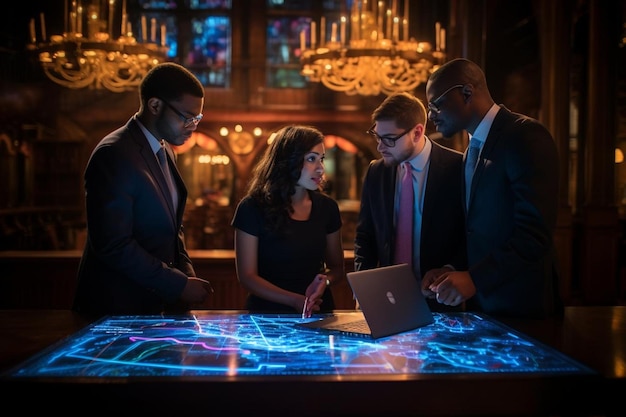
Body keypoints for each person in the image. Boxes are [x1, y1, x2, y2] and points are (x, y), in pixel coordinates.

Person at [423, 58, 562, 318]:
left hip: (525, 309)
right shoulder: (471, 151)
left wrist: (475, 278)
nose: (431, 115)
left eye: (436, 104)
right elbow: (478, 231)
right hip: (483, 307)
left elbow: (534, 235)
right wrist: (452, 268)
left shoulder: (526, 136)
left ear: (466, 93)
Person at [72, 62, 213, 318]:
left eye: (198, 118)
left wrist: (186, 274)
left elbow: (172, 228)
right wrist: (177, 284)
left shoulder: (166, 149)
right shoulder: (114, 153)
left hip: (157, 305)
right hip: (116, 307)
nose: (193, 125)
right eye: (187, 117)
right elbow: (113, 244)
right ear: (155, 106)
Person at [354, 92, 467, 312]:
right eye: (377, 136)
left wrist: (450, 268)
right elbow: (365, 235)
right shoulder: (376, 171)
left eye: (389, 139)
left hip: (440, 301)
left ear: (417, 132)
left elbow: (471, 234)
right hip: (386, 300)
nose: (380, 147)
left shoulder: (458, 168)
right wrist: (362, 286)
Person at [231, 125, 345, 317]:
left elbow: (337, 269)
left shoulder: (328, 207)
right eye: (311, 159)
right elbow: (247, 277)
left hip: (317, 311)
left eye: (321, 159)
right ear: (288, 161)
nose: (320, 168)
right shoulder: (252, 207)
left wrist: (323, 282)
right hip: (267, 316)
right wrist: (295, 300)